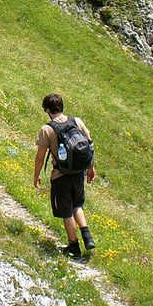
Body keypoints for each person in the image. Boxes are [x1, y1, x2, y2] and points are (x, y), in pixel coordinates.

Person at [33, 93, 96, 257]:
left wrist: (36, 175)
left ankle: (73, 247)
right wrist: (91, 168)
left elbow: (40, 157)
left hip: (61, 175)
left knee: (67, 212)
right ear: (62, 107)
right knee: (77, 205)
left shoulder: (47, 129)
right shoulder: (77, 121)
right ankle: (87, 236)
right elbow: (89, 144)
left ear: (47, 110)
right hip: (78, 173)